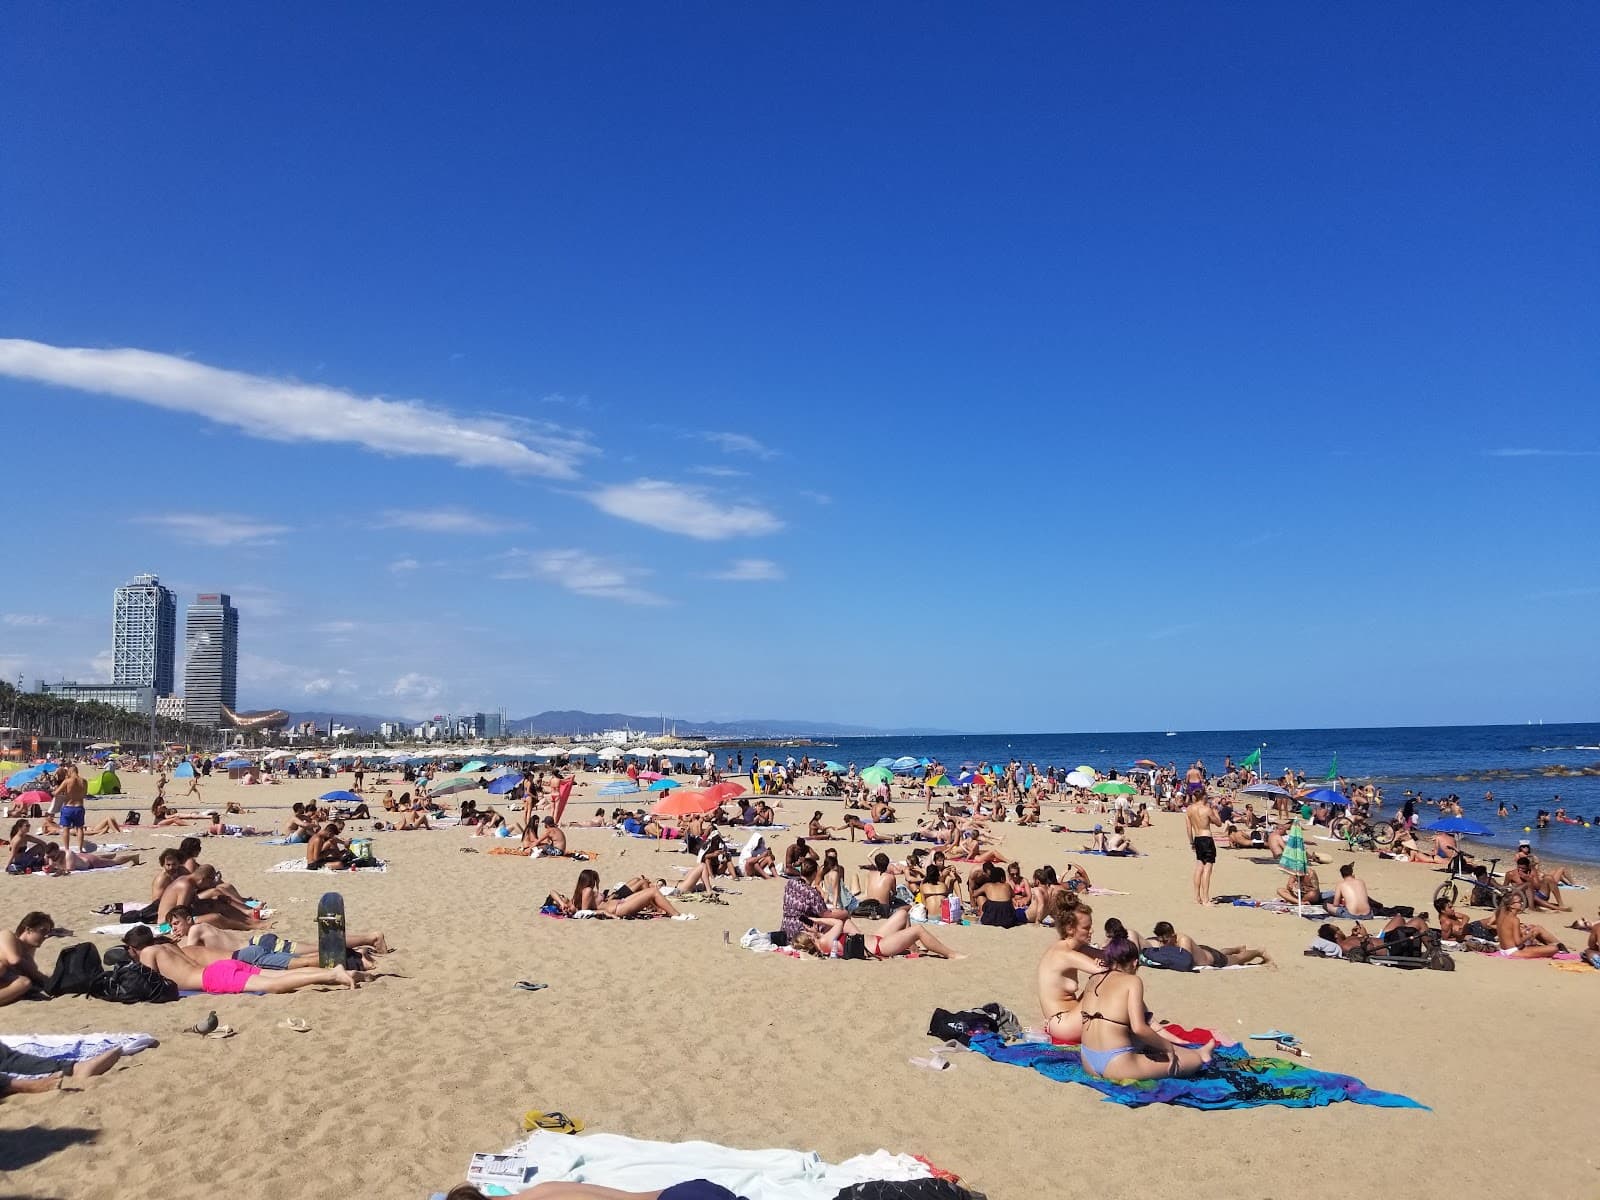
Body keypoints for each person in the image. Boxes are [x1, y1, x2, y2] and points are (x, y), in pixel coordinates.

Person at [1075, 937, 1215, 1080]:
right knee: (1193, 1061)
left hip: (1088, 1061)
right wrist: (1168, 1047)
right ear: (1135, 962)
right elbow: (1139, 1028)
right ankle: (1200, 1054)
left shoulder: (1094, 978)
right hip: (1117, 1065)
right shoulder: (1132, 981)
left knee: (1144, 1042)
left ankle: (1190, 1051)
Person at [126, 926, 368, 992]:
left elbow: (148, 983)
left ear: (134, 948)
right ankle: (339, 972)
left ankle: (332, 973)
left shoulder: (149, 953)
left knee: (273, 985)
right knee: (281, 974)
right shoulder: (169, 947)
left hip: (213, 976)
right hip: (226, 964)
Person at [165, 906, 390, 970]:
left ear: (187, 920)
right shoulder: (203, 926)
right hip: (261, 943)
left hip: (259, 946)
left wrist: (176, 942)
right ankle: (359, 951)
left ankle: (371, 938)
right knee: (316, 950)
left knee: (319, 947)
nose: (175, 928)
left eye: (177, 923)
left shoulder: (195, 930)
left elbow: (191, 956)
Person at [1035, 893, 1101, 1044]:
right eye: (1086, 928)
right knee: (1102, 980)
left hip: (1071, 1017)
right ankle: (1146, 1024)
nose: (1091, 931)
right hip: (1062, 1023)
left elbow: (1107, 958)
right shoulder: (1063, 953)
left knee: (1107, 977)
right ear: (1071, 929)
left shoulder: (1075, 948)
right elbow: (1102, 970)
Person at [795, 907, 965, 960]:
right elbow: (838, 922)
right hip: (878, 947)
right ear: (809, 938)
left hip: (875, 939)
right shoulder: (824, 941)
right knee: (918, 930)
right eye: (807, 931)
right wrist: (818, 921)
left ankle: (913, 949)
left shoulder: (823, 941)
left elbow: (843, 922)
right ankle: (950, 954)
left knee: (902, 914)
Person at [1146, 920, 1271, 968]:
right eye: (1161, 941)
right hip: (1204, 951)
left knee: (1237, 959)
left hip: (1213, 959)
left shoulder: (1183, 940)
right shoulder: (1167, 940)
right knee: (1220, 952)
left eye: (1165, 941)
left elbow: (1186, 962)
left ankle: (1259, 951)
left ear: (1173, 935)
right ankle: (1237, 947)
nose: (1163, 944)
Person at [1, 911, 54, 1005]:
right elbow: (15, 960)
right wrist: (40, 976)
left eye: (48, 932)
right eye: (43, 930)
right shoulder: (7, 935)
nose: (46, 936)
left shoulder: (28, 957)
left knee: (24, 983)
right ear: (28, 929)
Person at [1491, 893, 1564, 959]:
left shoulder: (1500, 915)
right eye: (1519, 902)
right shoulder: (1515, 920)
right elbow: (1518, 943)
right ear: (1511, 905)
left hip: (1503, 950)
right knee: (1554, 948)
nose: (1522, 903)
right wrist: (1529, 935)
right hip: (1513, 952)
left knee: (1541, 946)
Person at [1185, 792, 1223, 906]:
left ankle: (1197, 897)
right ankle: (1206, 899)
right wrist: (1215, 810)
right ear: (1203, 797)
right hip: (1206, 837)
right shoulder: (1207, 809)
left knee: (1199, 867)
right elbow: (1219, 823)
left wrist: (1191, 841)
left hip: (1197, 838)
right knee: (1207, 868)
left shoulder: (1189, 809)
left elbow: (1188, 827)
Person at [53, 764, 89, 854]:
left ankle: (67, 849)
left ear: (70, 771)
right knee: (80, 828)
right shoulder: (84, 781)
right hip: (79, 807)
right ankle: (80, 849)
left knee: (66, 829)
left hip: (68, 807)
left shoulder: (67, 781)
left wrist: (56, 791)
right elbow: (84, 794)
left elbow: (56, 793)